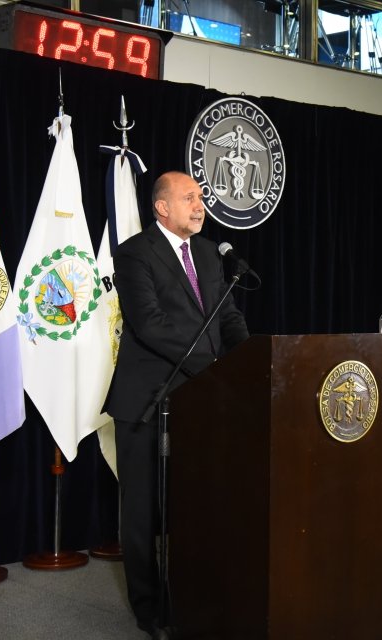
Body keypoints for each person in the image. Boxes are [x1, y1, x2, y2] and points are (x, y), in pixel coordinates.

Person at [104, 170, 250, 637]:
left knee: (195, 505)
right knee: (143, 512)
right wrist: (213, 364)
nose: (199, 205)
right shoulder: (133, 254)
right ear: (162, 207)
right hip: (146, 401)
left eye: (200, 198)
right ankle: (149, 609)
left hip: (198, 402)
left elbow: (227, 316)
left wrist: (246, 361)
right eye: (189, 198)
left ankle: (192, 597)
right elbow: (149, 324)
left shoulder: (208, 254)